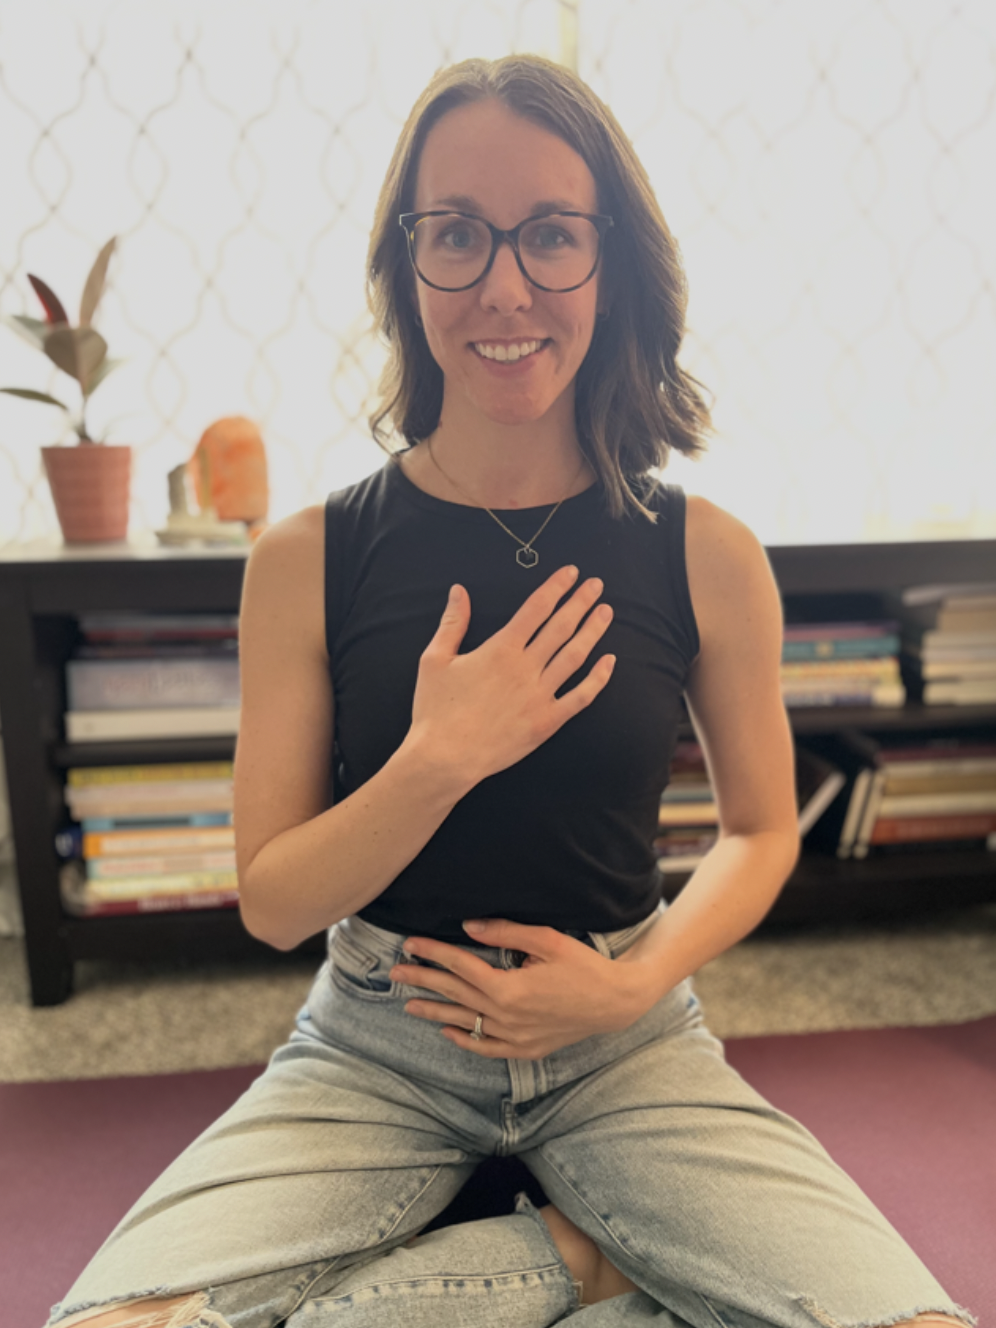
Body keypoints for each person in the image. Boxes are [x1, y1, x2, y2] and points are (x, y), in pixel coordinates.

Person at [46, 54, 973, 1328]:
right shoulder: (308, 557)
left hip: (623, 1032)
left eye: (549, 235)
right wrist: (439, 756)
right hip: (378, 1041)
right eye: (456, 236)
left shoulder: (706, 551)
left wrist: (632, 981)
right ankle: (577, 1262)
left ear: (613, 258)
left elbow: (761, 830)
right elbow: (273, 897)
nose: (504, 286)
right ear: (404, 263)